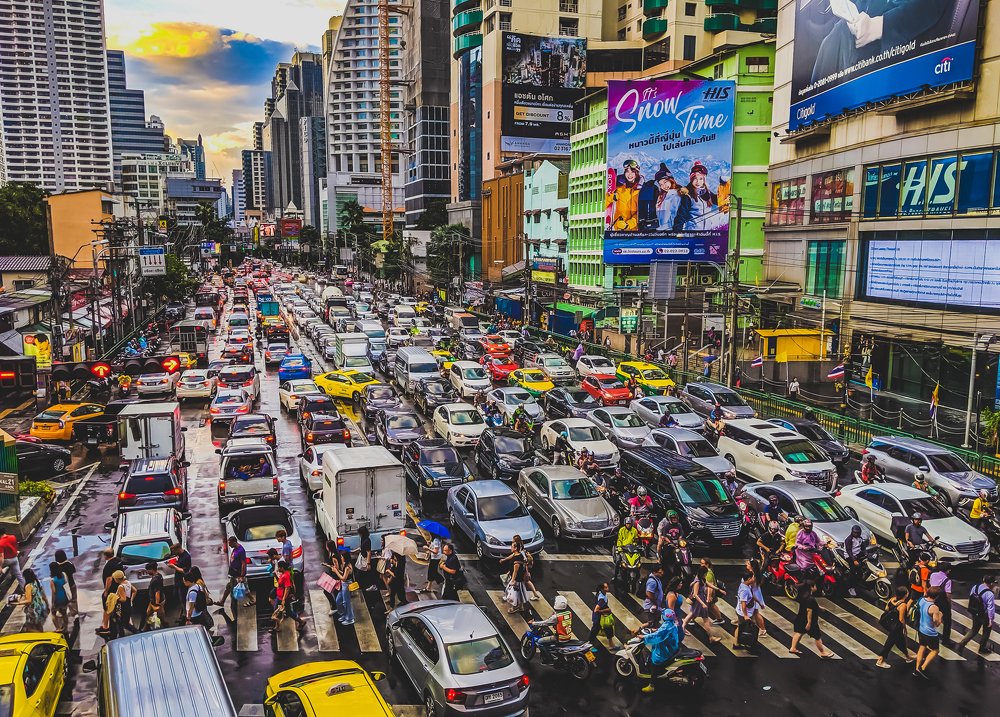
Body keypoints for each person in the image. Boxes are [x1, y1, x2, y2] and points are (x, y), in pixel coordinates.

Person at [640, 607, 682, 693]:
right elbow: (661, 632)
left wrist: (644, 637)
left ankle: (652, 685)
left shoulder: (667, 626)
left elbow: (657, 637)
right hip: (672, 646)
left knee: (655, 660)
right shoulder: (671, 623)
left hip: (666, 650)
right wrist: (656, 630)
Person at [789, 581, 835, 657]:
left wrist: (819, 607)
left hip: (800, 618)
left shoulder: (803, 595)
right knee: (817, 637)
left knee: (799, 632)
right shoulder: (810, 598)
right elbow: (809, 610)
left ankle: (793, 648)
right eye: (815, 586)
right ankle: (823, 652)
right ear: (811, 587)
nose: (816, 587)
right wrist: (809, 623)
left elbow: (809, 605)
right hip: (809, 621)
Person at [876, 585, 916, 668]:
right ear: (905, 594)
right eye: (907, 592)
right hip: (897, 626)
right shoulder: (903, 605)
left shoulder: (892, 599)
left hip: (891, 625)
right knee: (889, 643)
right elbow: (901, 619)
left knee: (900, 642)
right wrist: (905, 628)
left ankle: (908, 657)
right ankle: (880, 660)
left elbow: (886, 609)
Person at [957, 574, 996, 655]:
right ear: (991, 584)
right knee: (986, 631)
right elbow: (990, 608)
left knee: (974, 629)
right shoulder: (990, 594)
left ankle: (962, 643)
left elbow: (971, 596)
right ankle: (982, 648)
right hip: (984, 615)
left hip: (975, 612)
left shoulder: (976, 587)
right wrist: (990, 620)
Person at [683, 565, 723, 644]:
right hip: (700, 601)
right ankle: (711, 637)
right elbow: (695, 594)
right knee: (705, 619)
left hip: (701, 600)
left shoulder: (702, 579)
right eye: (705, 573)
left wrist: (719, 589)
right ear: (703, 573)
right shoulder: (697, 582)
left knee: (692, 614)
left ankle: (682, 628)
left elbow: (708, 584)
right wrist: (703, 604)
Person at [914, 586, 943, 678]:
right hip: (930, 632)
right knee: (935, 650)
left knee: (922, 647)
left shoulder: (922, 600)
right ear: (937, 597)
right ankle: (922, 667)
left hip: (921, 629)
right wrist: (940, 616)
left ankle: (917, 668)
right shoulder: (934, 607)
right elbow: (936, 623)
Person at [271, 560, 306, 633]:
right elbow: (280, 584)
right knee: (287, 612)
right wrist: (275, 576)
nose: (278, 569)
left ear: (282, 568)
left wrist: (283, 599)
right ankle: (300, 621)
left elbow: (287, 588)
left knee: (277, 611)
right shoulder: (283, 574)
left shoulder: (286, 575)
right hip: (279, 596)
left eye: (279, 568)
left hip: (282, 598)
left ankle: (277, 626)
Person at [220, 536, 252, 613]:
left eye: (230, 543)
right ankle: (222, 602)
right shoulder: (235, 549)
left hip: (238, 573)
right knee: (229, 587)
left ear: (234, 542)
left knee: (244, 588)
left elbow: (243, 563)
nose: (229, 545)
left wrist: (242, 575)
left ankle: (252, 599)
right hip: (233, 573)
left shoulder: (241, 550)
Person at [929, 563, 953, 645]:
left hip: (932, 599)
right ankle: (946, 640)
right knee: (947, 621)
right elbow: (948, 594)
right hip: (942, 601)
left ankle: (930, 636)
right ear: (948, 570)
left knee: (931, 618)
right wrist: (949, 604)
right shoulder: (947, 580)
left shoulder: (933, 575)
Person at [331, 548, 355, 625]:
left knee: (346, 602)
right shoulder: (345, 565)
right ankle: (344, 615)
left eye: (342, 557)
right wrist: (337, 570)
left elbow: (344, 578)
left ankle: (350, 618)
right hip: (343, 585)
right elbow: (344, 574)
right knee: (338, 600)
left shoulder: (348, 567)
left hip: (346, 585)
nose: (341, 558)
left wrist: (336, 572)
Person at [169, 542, 192, 613]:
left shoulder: (186, 557)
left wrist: (174, 566)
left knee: (183, 598)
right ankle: (183, 612)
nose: (174, 554)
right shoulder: (180, 556)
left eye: (174, 552)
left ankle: (187, 614)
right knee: (179, 598)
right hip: (178, 581)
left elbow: (185, 571)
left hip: (183, 582)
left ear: (178, 549)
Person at [843, 525, 866, 597]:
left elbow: (863, 548)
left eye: (857, 533)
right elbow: (849, 551)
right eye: (855, 533)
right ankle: (850, 587)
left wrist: (866, 553)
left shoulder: (860, 539)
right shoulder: (849, 539)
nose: (856, 534)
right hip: (850, 556)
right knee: (853, 571)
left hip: (857, 554)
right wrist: (854, 560)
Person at [53, 549, 77, 618]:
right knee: (73, 599)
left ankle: (63, 613)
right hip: (71, 584)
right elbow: (73, 571)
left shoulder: (57, 567)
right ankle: (75, 614)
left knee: (63, 600)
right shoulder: (69, 564)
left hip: (62, 587)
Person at [48, 562, 70, 633]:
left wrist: (52, 602)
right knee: (64, 613)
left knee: (53, 613)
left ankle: (58, 628)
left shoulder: (52, 580)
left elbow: (54, 592)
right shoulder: (63, 574)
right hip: (64, 597)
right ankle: (66, 627)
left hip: (58, 599)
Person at [143, 562, 165, 632]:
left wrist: (156, 604)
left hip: (156, 601)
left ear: (152, 570)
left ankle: (165, 626)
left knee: (159, 616)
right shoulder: (159, 575)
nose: (147, 572)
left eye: (147, 570)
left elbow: (157, 593)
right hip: (153, 601)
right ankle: (146, 627)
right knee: (148, 613)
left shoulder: (156, 580)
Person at [356, 526, 376, 592]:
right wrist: (353, 551)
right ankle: (371, 585)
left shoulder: (367, 540)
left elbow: (369, 552)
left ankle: (372, 585)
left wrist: (368, 563)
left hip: (365, 559)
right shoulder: (362, 538)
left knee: (365, 572)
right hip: (362, 557)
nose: (359, 535)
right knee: (364, 572)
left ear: (362, 533)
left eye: (360, 533)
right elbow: (361, 548)